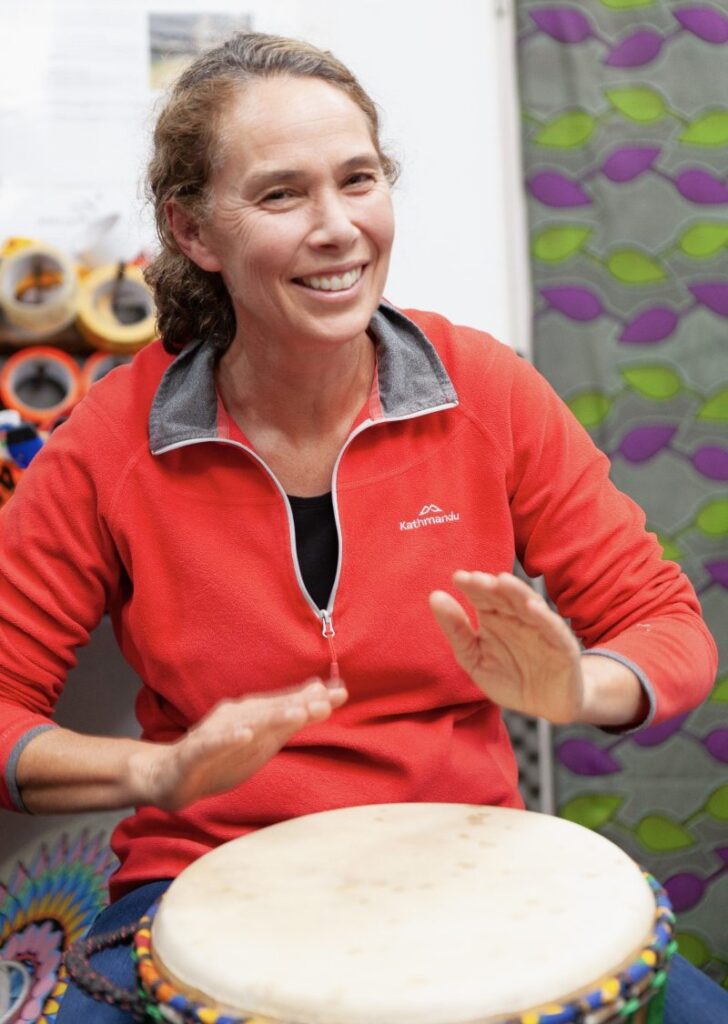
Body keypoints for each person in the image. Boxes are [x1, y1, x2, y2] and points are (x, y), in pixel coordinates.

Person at [0, 32, 722, 1023]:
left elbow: (667, 624)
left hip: (467, 863)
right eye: (281, 194)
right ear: (193, 229)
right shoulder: (111, 440)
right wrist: (154, 771)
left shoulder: (487, 392)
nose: (337, 227)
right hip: (201, 881)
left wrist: (578, 687)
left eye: (358, 179)